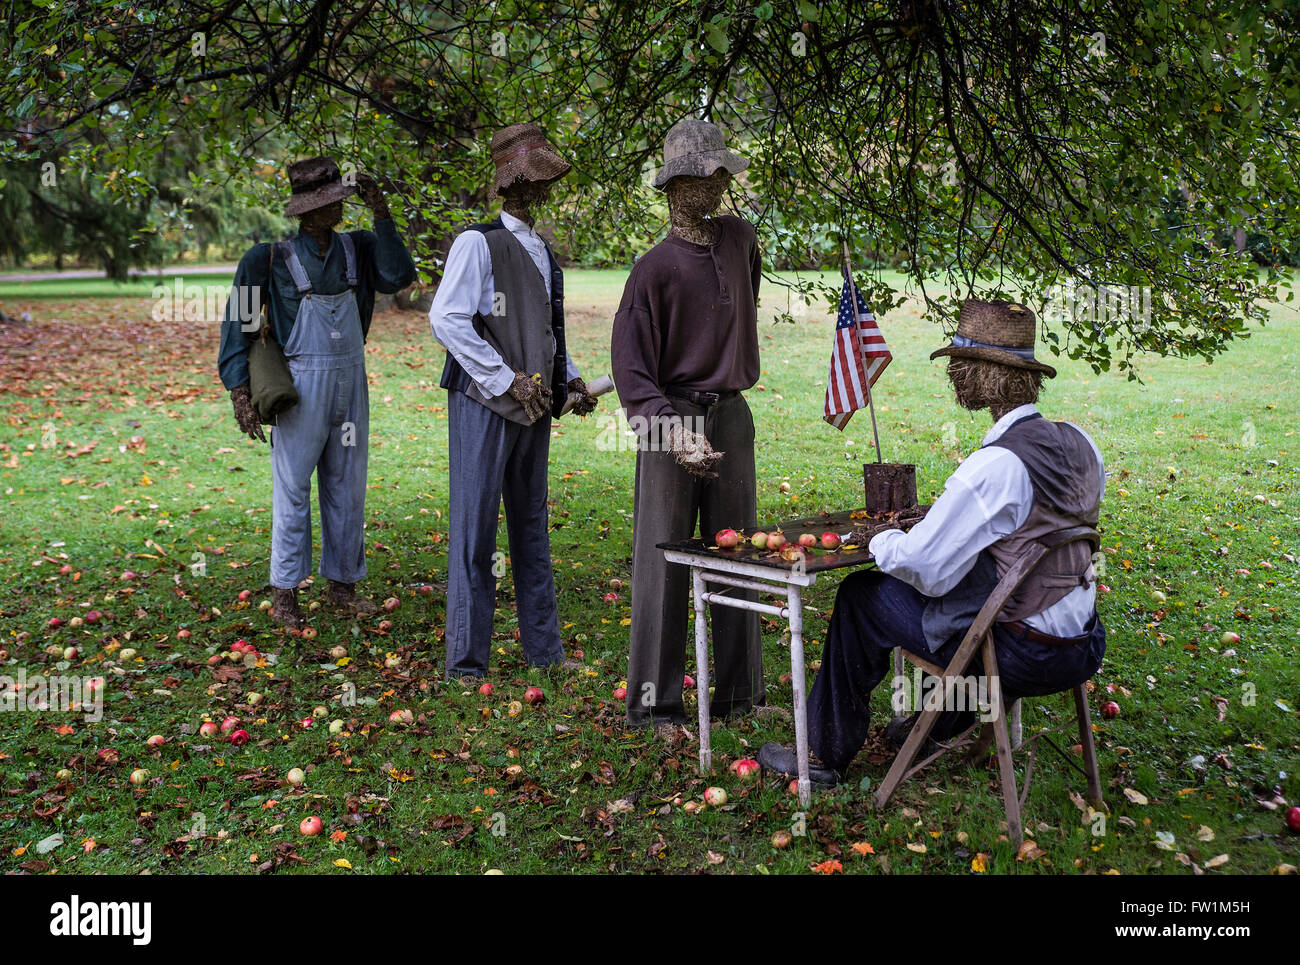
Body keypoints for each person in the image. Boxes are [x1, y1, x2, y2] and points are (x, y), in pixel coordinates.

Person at [758, 300, 1107, 783]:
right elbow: (1037, 529)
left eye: (959, 366)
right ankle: (935, 723)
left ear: (985, 375)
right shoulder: (1081, 442)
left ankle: (820, 756)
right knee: (960, 601)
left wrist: (883, 539)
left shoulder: (996, 465)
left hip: (1023, 655)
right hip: (1083, 644)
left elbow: (925, 566)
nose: (953, 376)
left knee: (864, 596)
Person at [611, 119, 765, 736]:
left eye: (723, 171)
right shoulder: (650, 271)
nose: (721, 181)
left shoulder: (741, 240)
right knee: (664, 560)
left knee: (740, 555)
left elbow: (741, 303)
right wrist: (674, 430)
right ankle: (655, 705)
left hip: (731, 416)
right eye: (708, 173)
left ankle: (740, 696)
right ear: (678, 186)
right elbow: (631, 372)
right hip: (668, 419)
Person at [429, 123, 598, 680]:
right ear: (511, 183)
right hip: (484, 404)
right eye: (532, 180)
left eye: (544, 181)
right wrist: (506, 380)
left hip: (534, 406)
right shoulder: (476, 243)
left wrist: (568, 379)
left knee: (530, 526)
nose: (540, 191)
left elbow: (545, 329)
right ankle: (467, 661)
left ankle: (545, 653)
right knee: (475, 531)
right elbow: (447, 320)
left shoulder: (543, 251)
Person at [218, 157, 416, 627]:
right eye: (330, 203)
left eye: (340, 201)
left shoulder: (361, 247)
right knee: (291, 486)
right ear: (307, 212)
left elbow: (398, 276)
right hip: (300, 383)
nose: (339, 209)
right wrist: (238, 390)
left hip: (352, 378)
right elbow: (240, 324)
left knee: (348, 483)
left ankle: (343, 585)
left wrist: (382, 212)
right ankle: (285, 590)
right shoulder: (265, 258)